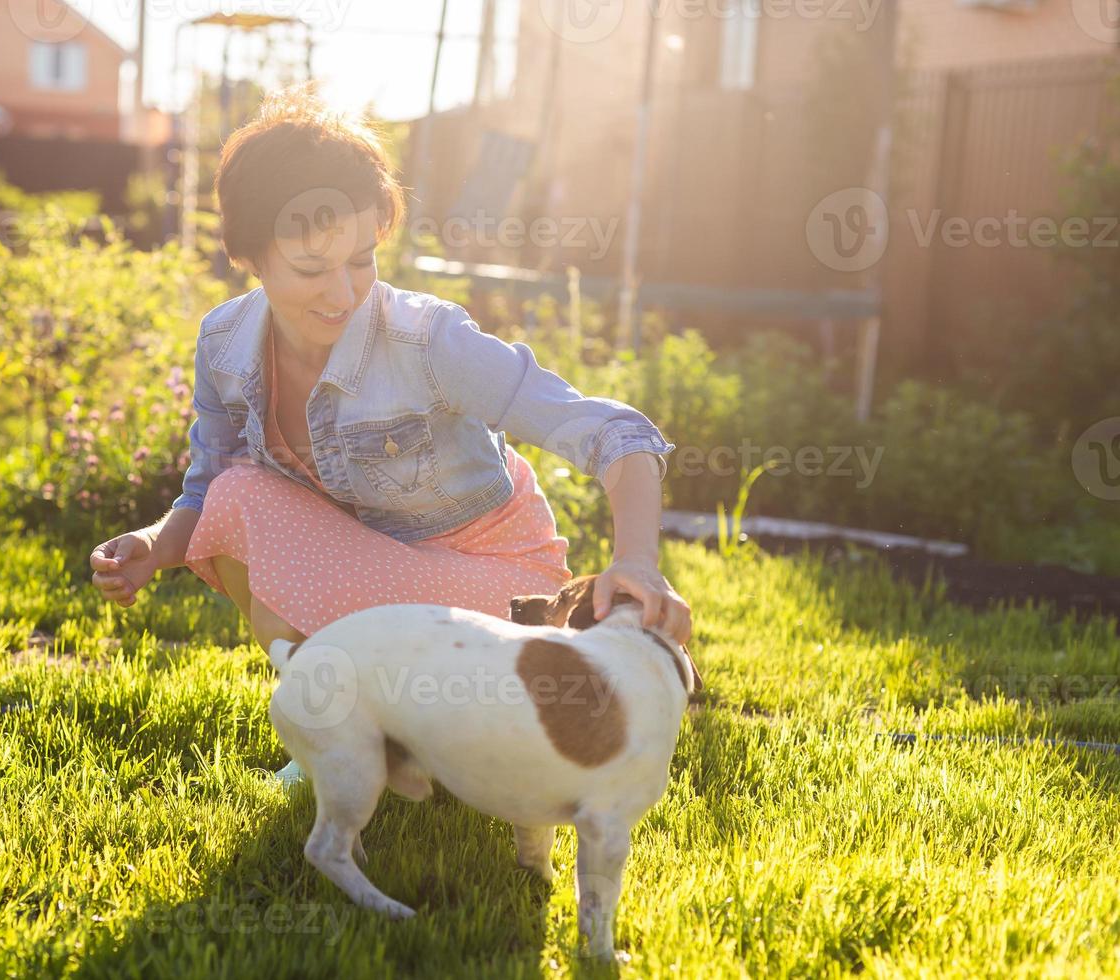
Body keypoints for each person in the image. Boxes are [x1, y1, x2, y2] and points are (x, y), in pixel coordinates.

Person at [90, 88, 692, 779]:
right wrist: (150, 546)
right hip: (378, 573)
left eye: (361, 259)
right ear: (249, 254)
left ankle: (387, 742)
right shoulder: (225, 342)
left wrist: (638, 563)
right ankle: (364, 739)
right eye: (311, 268)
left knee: (239, 499)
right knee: (234, 495)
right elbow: (206, 488)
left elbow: (619, 433)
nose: (343, 294)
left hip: (500, 599)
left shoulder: (428, 340)